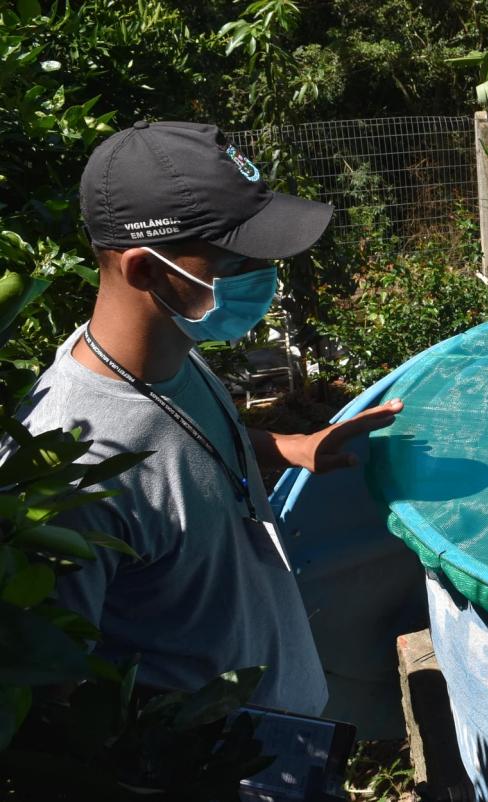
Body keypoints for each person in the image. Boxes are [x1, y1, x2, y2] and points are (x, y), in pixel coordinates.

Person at [13, 121, 402, 715]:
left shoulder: (165, 355)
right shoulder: (73, 471)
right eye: (239, 258)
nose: (265, 272)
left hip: (287, 735)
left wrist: (289, 447)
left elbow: (171, 453)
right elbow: (49, 711)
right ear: (145, 271)